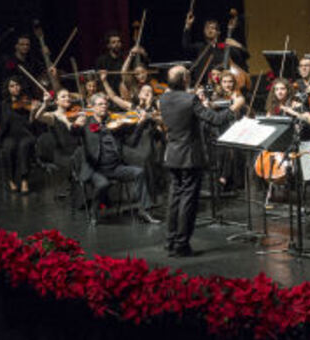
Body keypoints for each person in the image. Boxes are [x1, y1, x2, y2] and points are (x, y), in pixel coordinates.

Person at [160, 66, 228, 256]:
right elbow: (215, 119)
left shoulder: (164, 98)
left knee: (174, 198)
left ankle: (170, 240)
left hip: (172, 154)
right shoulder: (190, 99)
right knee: (187, 201)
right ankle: (182, 245)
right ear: (184, 79)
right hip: (189, 156)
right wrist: (234, 108)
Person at [71, 94, 161, 227]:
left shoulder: (115, 123)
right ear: (92, 107)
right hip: (95, 169)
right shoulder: (86, 123)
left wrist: (141, 123)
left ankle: (144, 211)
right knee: (103, 184)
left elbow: (132, 143)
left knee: (139, 172)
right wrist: (75, 125)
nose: (104, 106)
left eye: (105, 104)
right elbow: (73, 133)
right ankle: (93, 211)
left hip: (115, 168)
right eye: (100, 104)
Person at [0, 76, 39, 194]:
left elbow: (31, 124)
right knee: (8, 148)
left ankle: (24, 180)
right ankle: (11, 180)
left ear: (21, 86)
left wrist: (34, 111)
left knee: (24, 147)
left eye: (17, 85)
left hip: (26, 134)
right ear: (8, 89)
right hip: (9, 135)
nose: (15, 88)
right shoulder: (4, 104)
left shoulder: (27, 102)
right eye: (12, 86)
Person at [183, 14, 250, 80]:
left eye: (212, 28)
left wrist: (238, 45)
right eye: (207, 28)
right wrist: (188, 26)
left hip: (222, 82)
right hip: (203, 83)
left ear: (218, 32)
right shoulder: (200, 46)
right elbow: (186, 46)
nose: (209, 30)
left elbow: (246, 55)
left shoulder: (222, 46)